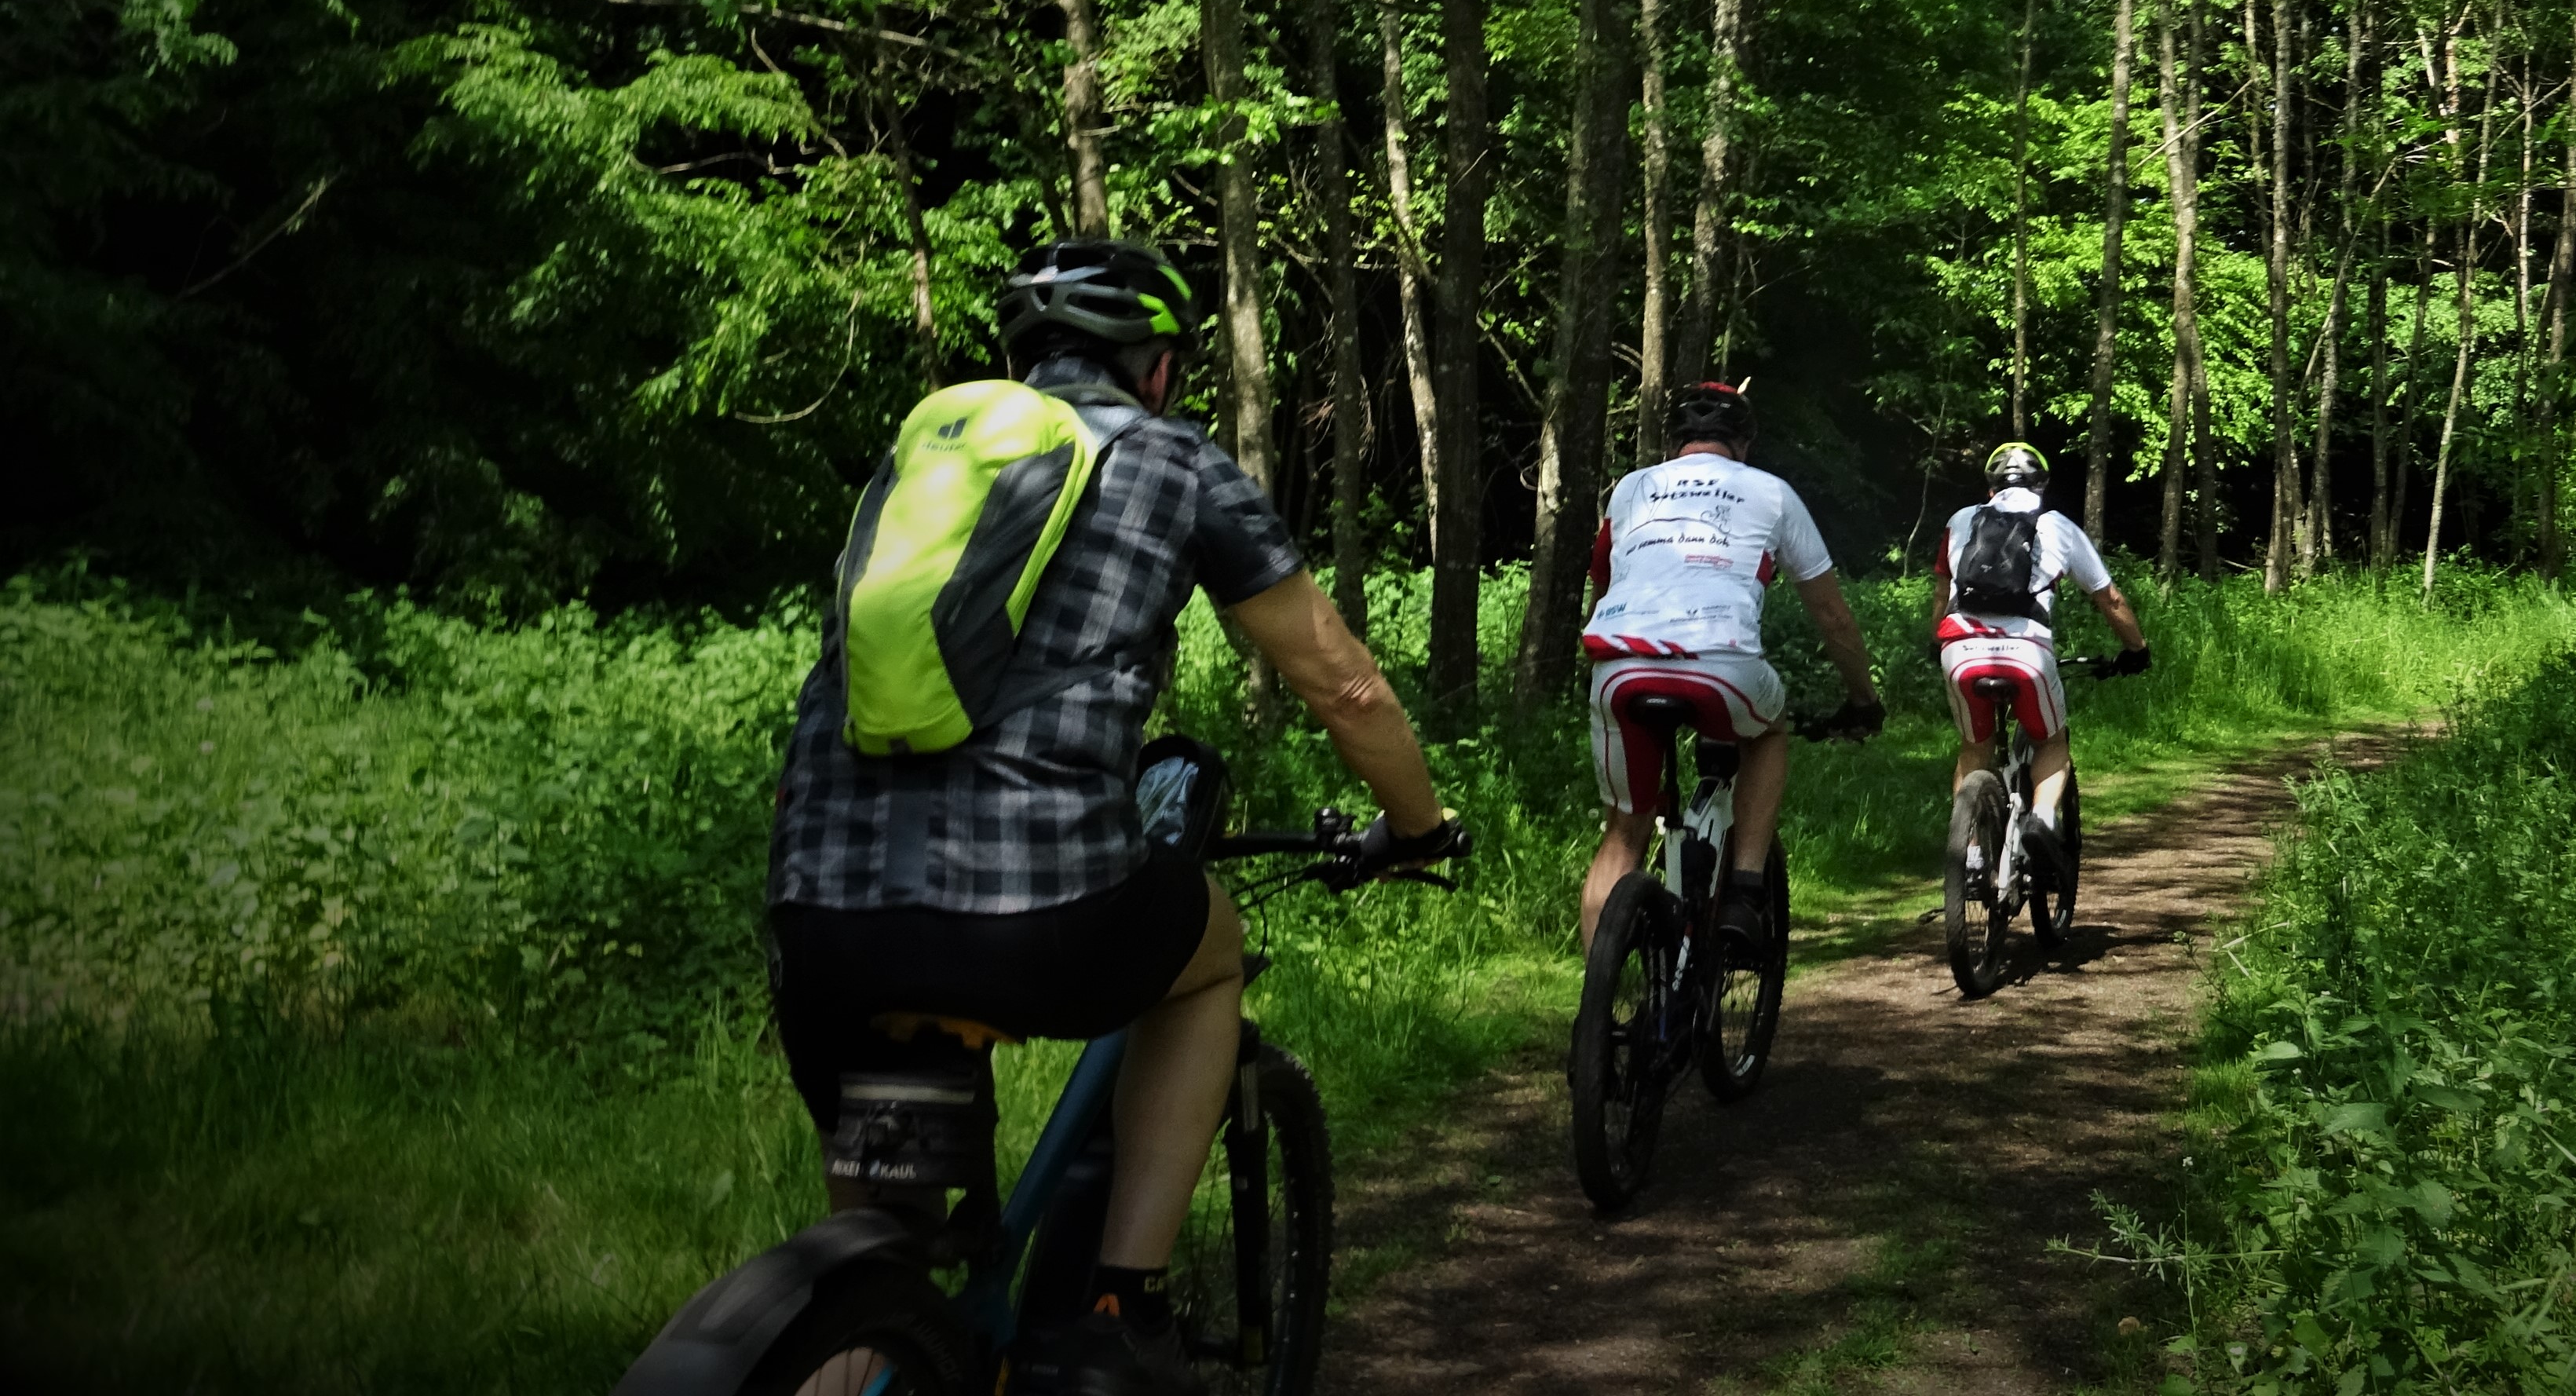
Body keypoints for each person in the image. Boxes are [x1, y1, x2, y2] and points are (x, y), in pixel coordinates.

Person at [765, 239, 1459, 1396]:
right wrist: (1420, 827)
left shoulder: (921, 463)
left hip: (824, 919)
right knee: (1209, 951)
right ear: (1158, 367)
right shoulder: (1172, 460)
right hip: (1036, 915)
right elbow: (1340, 683)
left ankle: (872, 1329)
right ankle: (1119, 1303)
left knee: (879, 1279)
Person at [1577, 379, 1884, 957]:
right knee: (1768, 733)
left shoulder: (1630, 489)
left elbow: (1602, 585)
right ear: (1743, 443)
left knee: (1622, 834)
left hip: (1618, 665)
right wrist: (1862, 699)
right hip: (1722, 666)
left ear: (1672, 442)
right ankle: (1744, 889)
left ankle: (1598, 999)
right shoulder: (1771, 492)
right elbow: (1833, 618)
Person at [1930, 441, 2149, 879]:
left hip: (1959, 649)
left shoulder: (1960, 521)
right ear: (2041, 485)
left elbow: (1942, 593)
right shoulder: (2058, 526)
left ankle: (1970, 858)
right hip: (2027, 652)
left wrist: (1934, 642)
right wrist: (2137, 650)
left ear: (1990, 488)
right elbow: (2110, 599)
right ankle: (2043, 821)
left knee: (1975, 747)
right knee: (2051, 741)